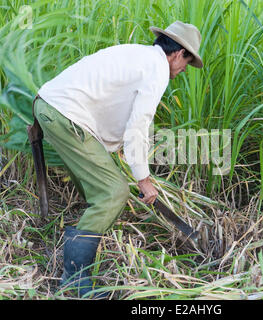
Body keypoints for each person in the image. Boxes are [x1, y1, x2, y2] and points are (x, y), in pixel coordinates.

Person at [32, 21, 203, 298]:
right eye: (187, 61)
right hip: (64, 114)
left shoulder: (140, 57)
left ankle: (74, 241)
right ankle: (74, 280)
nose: (184, 69)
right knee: (113, 192)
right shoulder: (156, 69)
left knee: (99, 188)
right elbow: (139, 125)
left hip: (50, 106)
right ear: (177, 53)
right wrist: (143, 179)